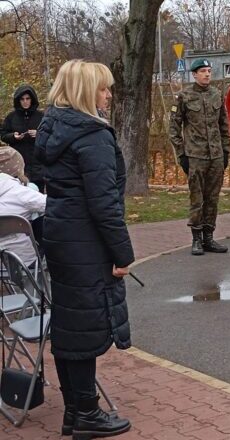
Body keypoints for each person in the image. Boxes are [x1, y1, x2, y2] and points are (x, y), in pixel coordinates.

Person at [34, 59, 132, 438]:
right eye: (104, 88)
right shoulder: (91, 135)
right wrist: (122, 253)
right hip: (85, 239)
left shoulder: (53, 127)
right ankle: (86, 414)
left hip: (60, 234)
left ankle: (76, 411)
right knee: (85, 327)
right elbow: (104, 202)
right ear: (85, 91)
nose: (108, 94)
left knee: (70, 325)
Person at [169, 59, 230, 255]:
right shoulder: (184, 97)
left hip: (216, 156)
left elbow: (224, 126)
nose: (206, 74)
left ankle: (209, 237)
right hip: (195, 156)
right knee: (197, 199)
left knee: (212, 198)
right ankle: (196, 238)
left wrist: (226, 151)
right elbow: (174, 128)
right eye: (202, 71)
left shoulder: (216, 95)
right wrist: (182, 154)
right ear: (194, 74)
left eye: (209, 71)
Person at [0, 147, 46, 268]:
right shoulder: (21, 192)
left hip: (3, 263)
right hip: (23, 259)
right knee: (45, 219)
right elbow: (51, 206)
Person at [1, 85, 45, 191]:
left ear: (32, 99)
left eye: (27, 99)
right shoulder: (11, 117)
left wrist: (38, 134)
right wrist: (13, 136)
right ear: (18, 100)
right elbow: (3, 134)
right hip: (18, 166)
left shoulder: (41, 116)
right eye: (22, 99)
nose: (25, 101)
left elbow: (51, 135)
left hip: (38, 165)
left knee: (38, 196)